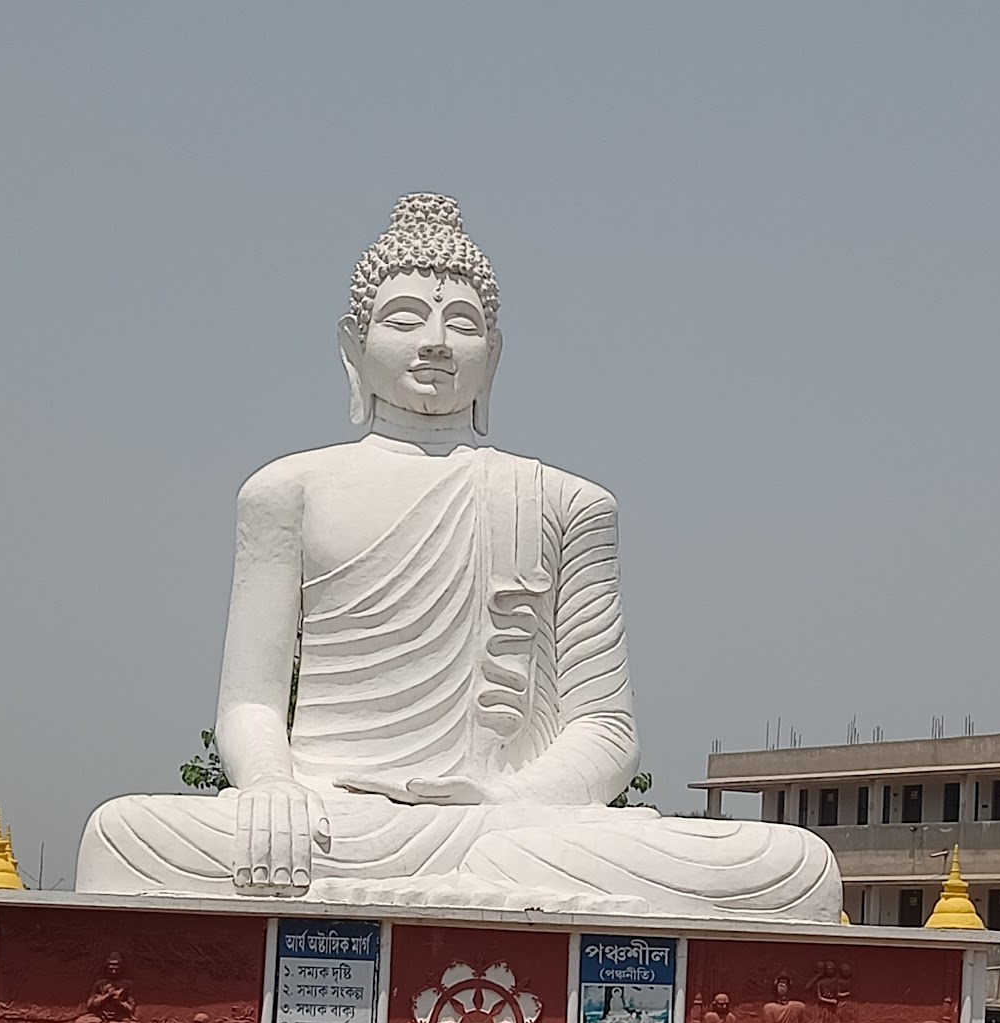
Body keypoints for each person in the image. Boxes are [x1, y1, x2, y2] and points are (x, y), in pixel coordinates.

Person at [74, 193, 839, 922]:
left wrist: (510, 803)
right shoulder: (289, 490)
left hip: (514, 822)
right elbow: (248, 703)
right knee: (123, 834)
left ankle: (486, 867)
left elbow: (604, 730)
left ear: (494, 354)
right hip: (335, 816)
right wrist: (273, 786)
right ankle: (473, 876)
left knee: (794, 864)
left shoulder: (568, 502)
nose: (437, 342)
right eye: (405, 318)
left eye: (463, 324)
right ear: (353, 345)